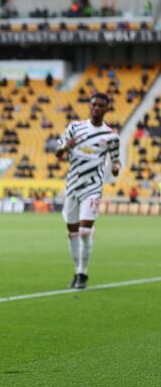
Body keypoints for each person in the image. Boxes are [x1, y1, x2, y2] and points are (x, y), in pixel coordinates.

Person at [55, 93, 121, 289]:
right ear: (89, 107)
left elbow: (116, 159)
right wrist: (66, 146)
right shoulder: (75, 128)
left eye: (101, 105)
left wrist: (116, 167)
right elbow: (58, 153)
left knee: (84, 231)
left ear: (107, 109)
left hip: (93, 187)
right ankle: (77, 271)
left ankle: (83, 273)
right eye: (94, 105)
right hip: (72, 185)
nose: (97, 108)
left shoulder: (111, 137)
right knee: (72, 232)